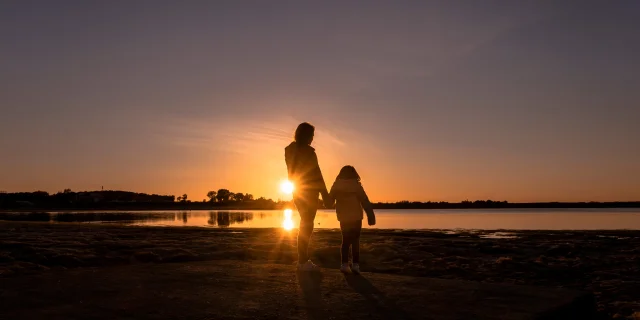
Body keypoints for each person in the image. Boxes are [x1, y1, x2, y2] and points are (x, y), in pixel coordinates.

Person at [285, 122, 332, 272]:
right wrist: (325, 195)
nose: (312, 138)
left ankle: (302, 260)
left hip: (297, 189)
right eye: (311, 135)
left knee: (305, 223)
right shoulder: (308, 152)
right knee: (307, 224)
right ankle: (303, 261)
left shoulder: (289, 150)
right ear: (306, 135)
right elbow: (317, 174)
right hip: (309, 190)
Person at [329, 165, 375, 274]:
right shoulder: (356, 185)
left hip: (343, 217)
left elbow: (329, 202)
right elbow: (365, 200)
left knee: (345, 240)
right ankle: (355, 265)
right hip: (356, 217)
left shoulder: (336, 185)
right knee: (355, 241)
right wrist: (370, 215)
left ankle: (344, 264)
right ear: (354, 174)